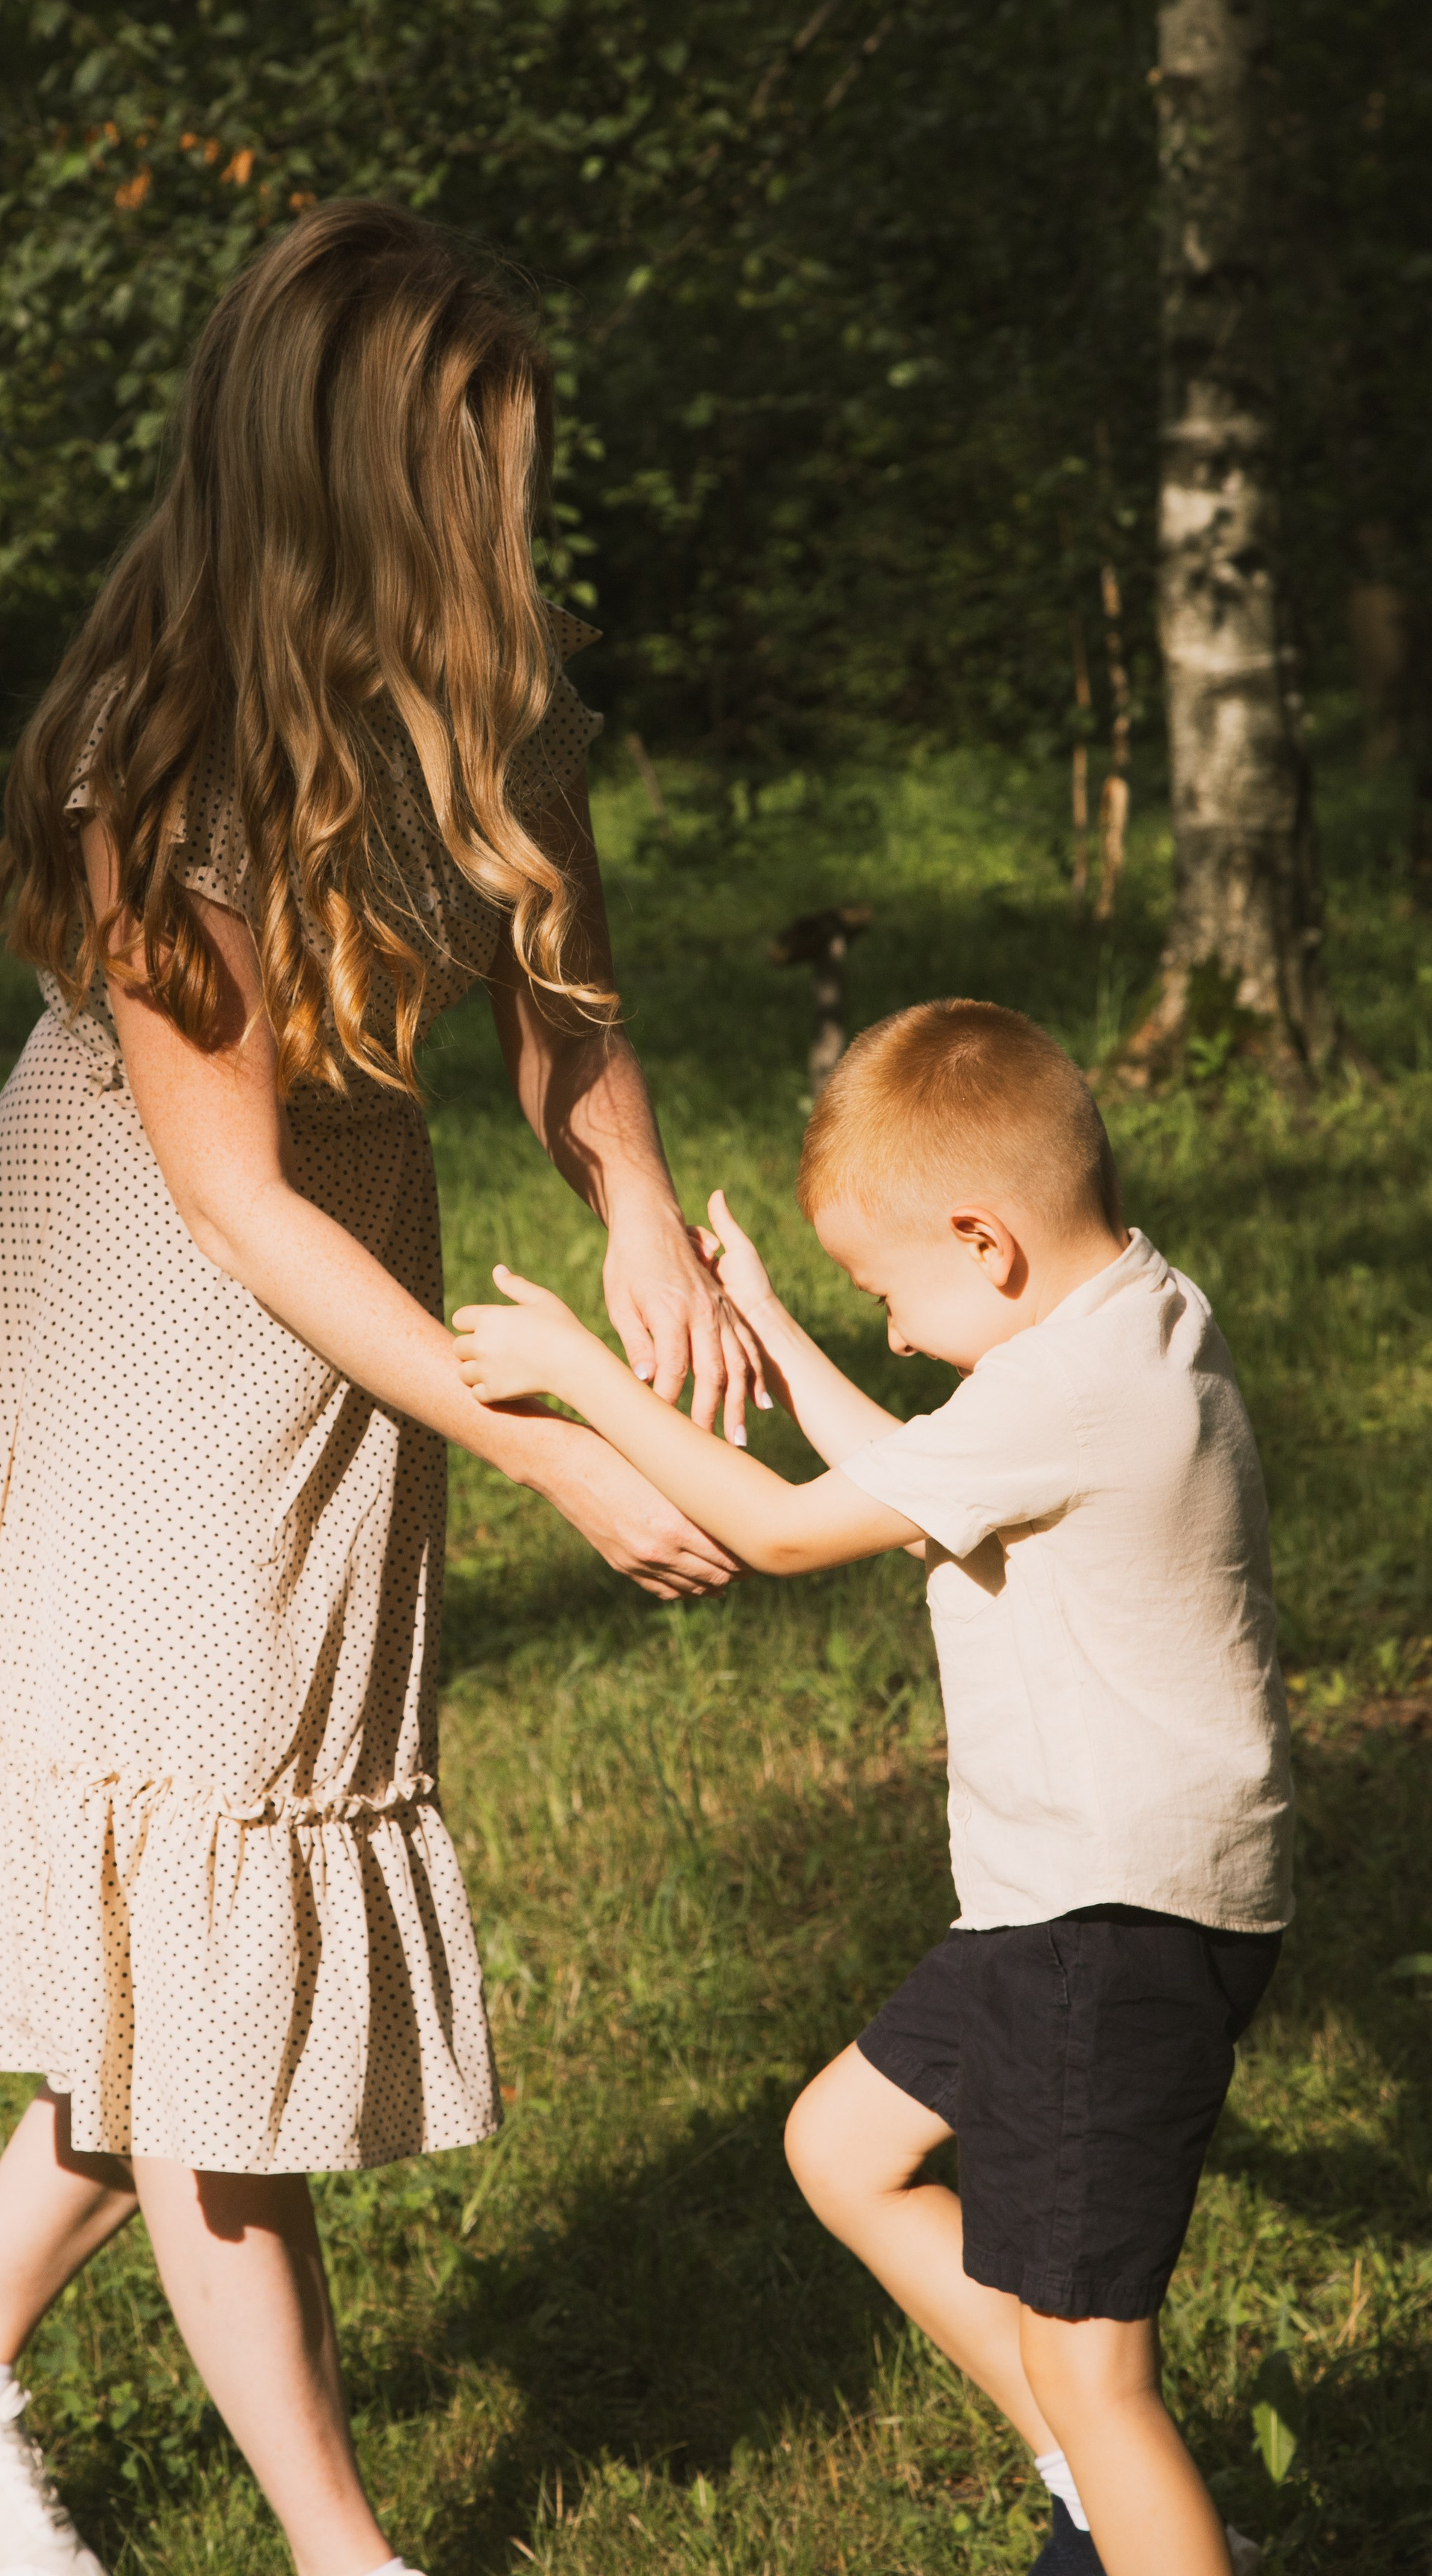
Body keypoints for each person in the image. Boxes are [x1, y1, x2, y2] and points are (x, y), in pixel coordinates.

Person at [0, 200, 763, 2576]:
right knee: (217, 1925)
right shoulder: (169, 753)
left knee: (210, 1926)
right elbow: (231, 1195)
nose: (516, 513)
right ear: (352, 475)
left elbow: (571, 1007)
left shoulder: (493, 684)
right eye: (481, 465)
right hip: (141, 1327)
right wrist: (535, 1446)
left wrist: (631, 1206)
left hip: (344, 1304)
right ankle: (345, 2552)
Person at [451, 996, 1293, 2576]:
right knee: (841, 2147)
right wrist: (773, 1329)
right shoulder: (1126, 1319)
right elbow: (906, 1480)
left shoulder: (1070, 1396)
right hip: (1082, 1910)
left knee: (1093, 2366)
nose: (889, 1332)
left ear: (980, 1241)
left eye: (886, 1295)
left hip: (1100, 1932)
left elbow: (780, 1531)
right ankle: (1110, 2507)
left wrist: (572, 1371)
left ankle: (1146, 2526)